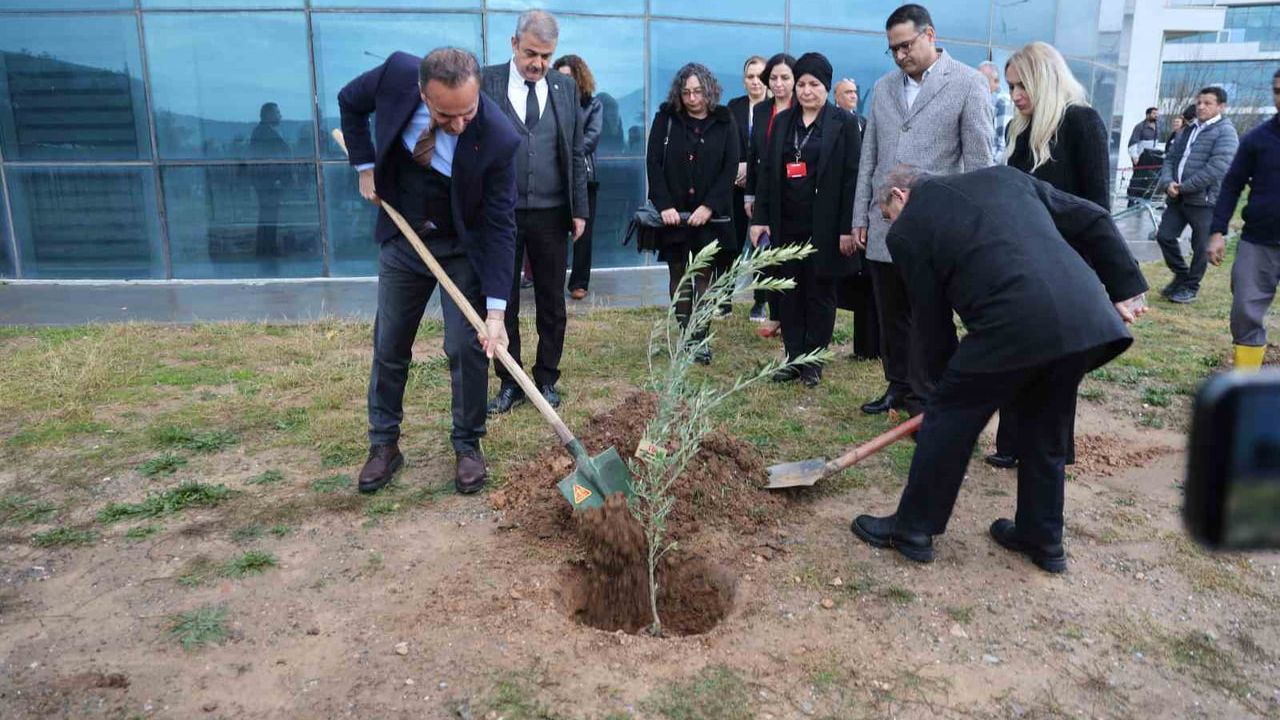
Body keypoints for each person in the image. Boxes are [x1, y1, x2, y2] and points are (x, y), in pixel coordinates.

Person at [850, 165, 1149, 573]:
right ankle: (1042, 538)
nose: (891, 226)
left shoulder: (909, 228)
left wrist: (944, 390)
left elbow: (931, 318)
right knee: (1046, 426)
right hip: (1083, 319)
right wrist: (1125, 287)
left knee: (947, 419)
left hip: (1013, 321)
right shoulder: (1007, 177)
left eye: (887, 216)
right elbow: (1094, 217)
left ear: (899, 196)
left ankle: (912, 529)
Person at [338, 48, 519, 495]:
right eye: (446, 114)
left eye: (468, 112)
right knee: (390, 342)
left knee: (466, 346)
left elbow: (500, 225)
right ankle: (384, 446)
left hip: (461, 247)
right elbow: (349, 102)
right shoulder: (396, 73)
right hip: (404, 236)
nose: (459, 124)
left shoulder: (498, 137)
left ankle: (468, 446)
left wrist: (496, 313)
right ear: (422, 93)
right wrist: (364, 167)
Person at [851, 3, 994, 416]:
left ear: (930, 35)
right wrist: (859, 216)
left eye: (906, 45)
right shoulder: (883, 88)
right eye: (892, 49)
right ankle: (897, 387)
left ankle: (926, 398)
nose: (900, 55)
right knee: (890, 313)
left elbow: (979, 163)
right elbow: (869, 158)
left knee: (928, 318)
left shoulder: (968, 84)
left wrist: (971, 226)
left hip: (934, 229)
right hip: (884, 225)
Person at [986, 41, 1111, 470]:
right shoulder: (1018, 130)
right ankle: (1012, 442)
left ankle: (1051, 452)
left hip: (1066, 262)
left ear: (1046, 79)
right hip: (1020, 260)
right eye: (1011, 86)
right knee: (1019, 353)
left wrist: (1099, 272)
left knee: (1056, 366)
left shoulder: (1082, 122)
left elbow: (1097, 207)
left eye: (1022, 85)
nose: (1016, 95)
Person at [481, 10, 589, 414]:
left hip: (551, 212)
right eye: (530, 53)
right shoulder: (486, 82)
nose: (538, 64)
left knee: (551, 301)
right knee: (501, 299)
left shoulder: (564, 87)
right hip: (500, 215)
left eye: (546, 56)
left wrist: (580, 209)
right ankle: (511, 382)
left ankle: (546, 378)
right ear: (513, 44)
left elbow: (575, 152)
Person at [749, 52, 862, 387]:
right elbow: (768, 174)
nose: (806, 91)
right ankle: (793, 357)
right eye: (801, 84)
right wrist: (760, 218)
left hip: (825, 228)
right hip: (787, 223)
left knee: (820, 293)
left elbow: (851, 179)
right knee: (789, 292)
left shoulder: (844, 123)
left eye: (814, 84)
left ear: (826, 86)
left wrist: (846, 228)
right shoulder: (783, 121)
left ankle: (814, 361)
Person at [646, 63, 739, 365]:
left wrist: (709, 206)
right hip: (674, 215)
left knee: (703, 277)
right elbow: (654, 163)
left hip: (709, 216)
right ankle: (685, 333)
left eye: (698, 91)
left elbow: (729, 168)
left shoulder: (725, 121)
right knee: (679, 274)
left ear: (709, 90)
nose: (692, 98)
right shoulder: (666, 119)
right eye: (686, 92)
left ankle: (700, 337)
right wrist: (664, 206)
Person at [1207, 68, 1280, 372]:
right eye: (1277, 90)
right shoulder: (1257, 140)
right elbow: (1232, 184)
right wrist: (1217, 232)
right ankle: (1247, 382)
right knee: (1244, 312)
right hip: (1259, 241)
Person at [1155, 85, 1239, 305]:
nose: (1201, 106)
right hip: (1177, 197)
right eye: (1199, 102)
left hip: (1205, 201)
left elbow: (1217, 168)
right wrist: (1167, 182)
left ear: (1221, 106)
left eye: (1207, 103)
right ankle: (1181, 275)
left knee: (1200, 246)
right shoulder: (1189, 129)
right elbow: (1171, 158)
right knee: (1164, 236)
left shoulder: (1226, 132)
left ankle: (1191, 287)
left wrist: (1183, 186)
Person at [744, 52, 796, 333]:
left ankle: (792, 315)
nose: (778, 84)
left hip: (795, 193)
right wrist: (750, 195)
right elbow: (754, 156)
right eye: (773, 78)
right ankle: (775, 313)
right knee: (768, 255)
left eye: (784, 78)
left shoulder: (803, 108)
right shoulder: (763, 110)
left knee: (791, 259)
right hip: (765, 193)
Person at [553, 54, 603, 302]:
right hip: (554, 177)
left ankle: (579, 282)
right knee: (553, 231)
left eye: (569, 77)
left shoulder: (593, 105)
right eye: (559, 77)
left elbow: (591, 139)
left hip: (584, 176)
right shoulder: (548, 103)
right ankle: (551, 280)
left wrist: (565, 151)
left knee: (584, 232)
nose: (564, 82)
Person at [727, 56, 769, 318]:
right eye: (750, 76)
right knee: (731, 244)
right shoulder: (734, 107)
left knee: (762, 246)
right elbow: (727, 143)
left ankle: (760, 301)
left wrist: (750, 169)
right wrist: (736, 167)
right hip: (735, 187)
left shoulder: (777, 108)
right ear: (744, 81)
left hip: (763, 187)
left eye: (759, 76)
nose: (755, 81)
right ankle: (724, 298)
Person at [977, 61, 1013, 158]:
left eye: (982, 80)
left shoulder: (1002, 102)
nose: (977, 83)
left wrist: (991, 168)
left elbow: (1002, 143)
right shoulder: (985, 99)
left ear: (995, 81)